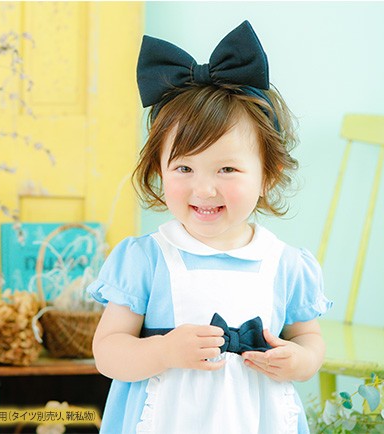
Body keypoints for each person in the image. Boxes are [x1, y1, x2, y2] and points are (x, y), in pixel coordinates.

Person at [87, 20, 333, 434]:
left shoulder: (285, 263)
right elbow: (107, 352)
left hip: (258, 419)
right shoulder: (146, 258)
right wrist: (163, 351)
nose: (204, 188)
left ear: (267, 175)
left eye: (227, 168)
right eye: (183, 167)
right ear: (159, 171)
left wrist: (301, 361)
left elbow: (310, 339)